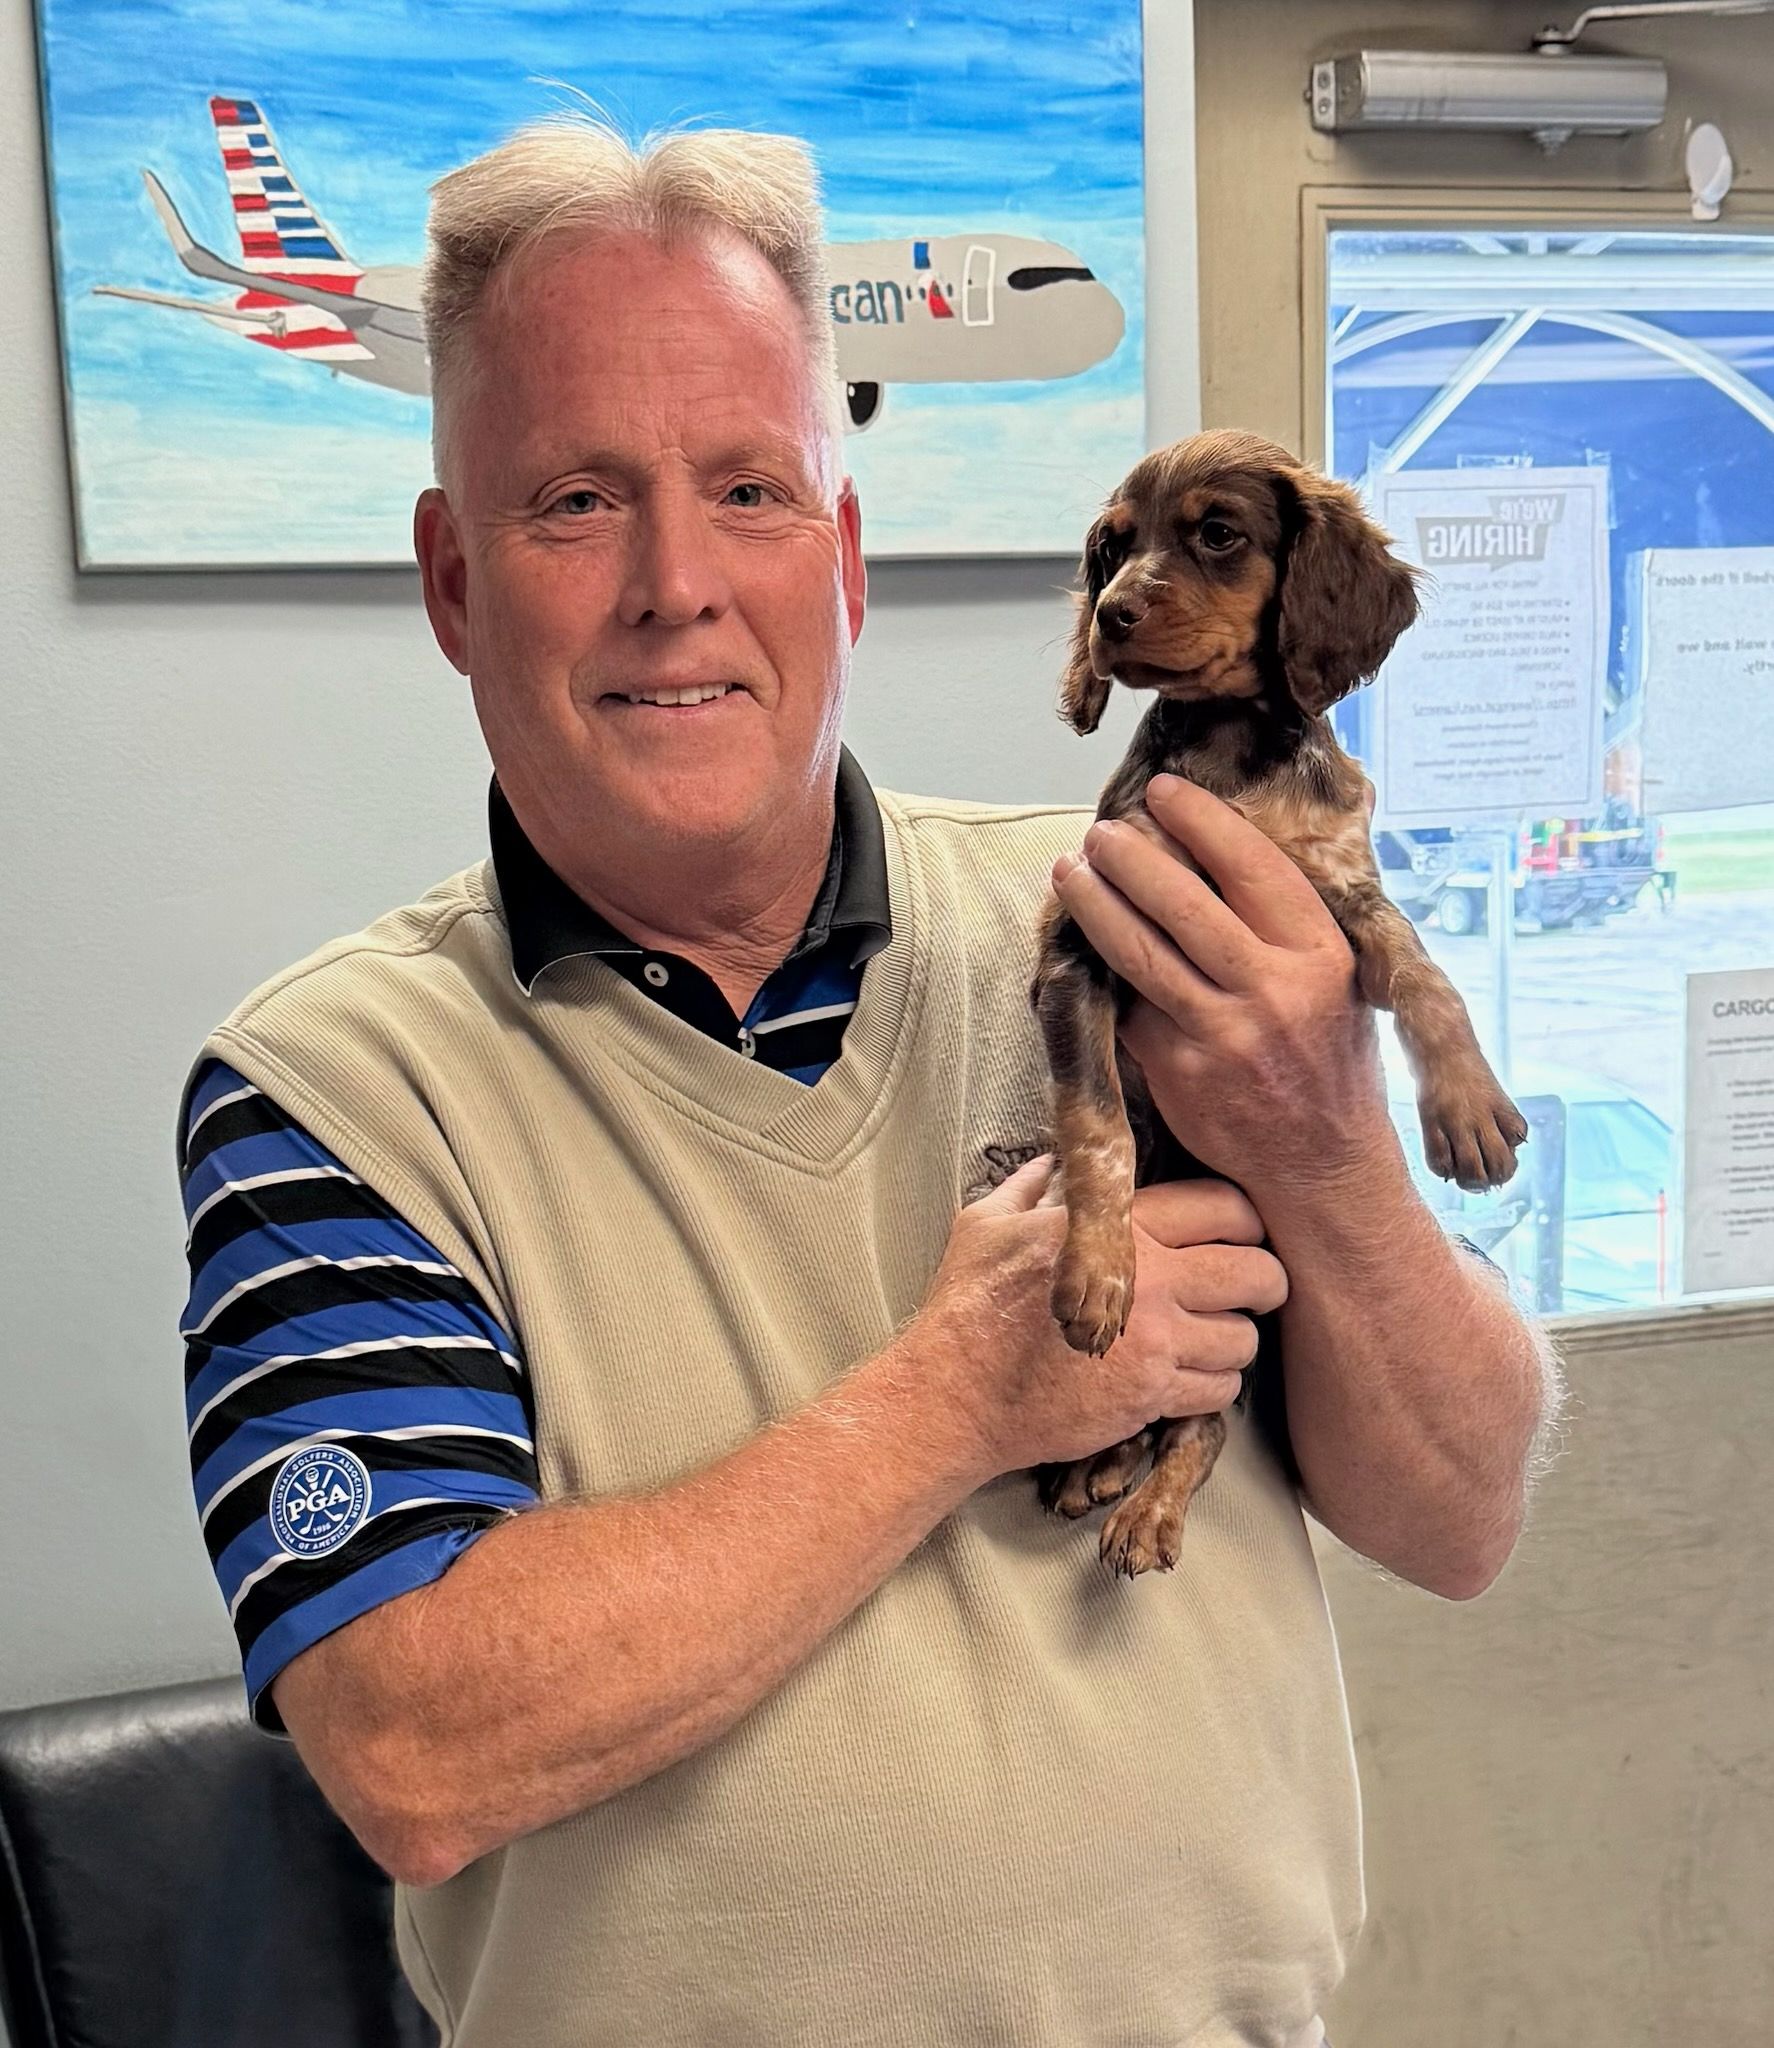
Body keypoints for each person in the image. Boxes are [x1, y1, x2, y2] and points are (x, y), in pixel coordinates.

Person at [177, 117, 1554, 2048]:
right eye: (574, 500)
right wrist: (961, 1393)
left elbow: (1460, 1516)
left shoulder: (1155, 917)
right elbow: (413, 1746)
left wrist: (1327, 1152)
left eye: (749, 490)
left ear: (840, 554)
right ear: (455, 583)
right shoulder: (333, 1091)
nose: (677, 584)